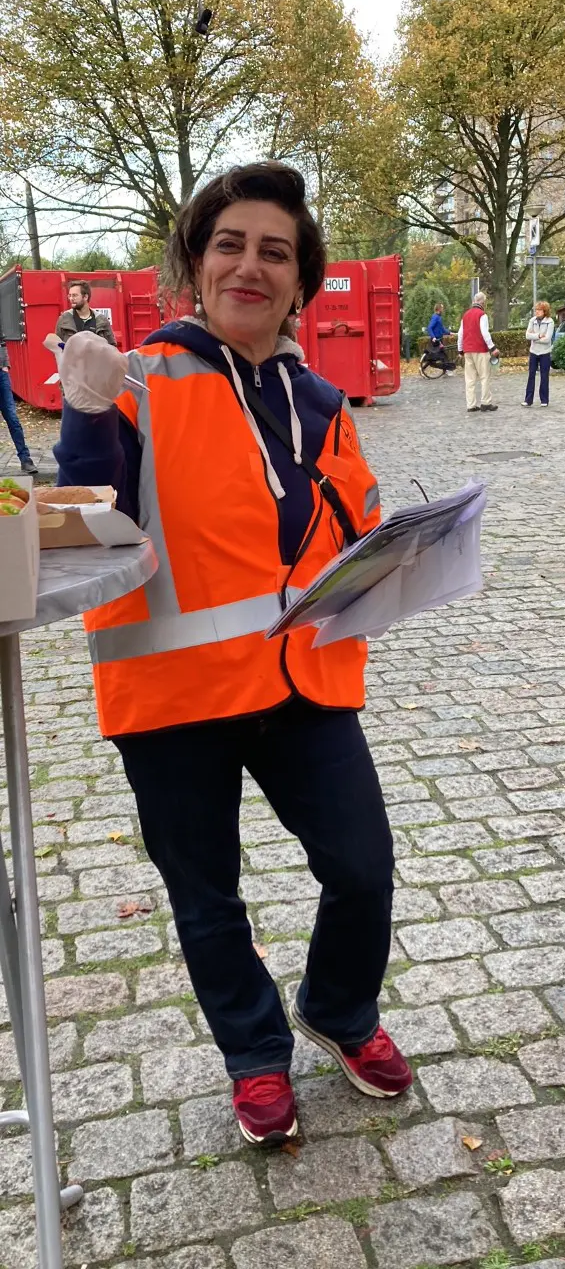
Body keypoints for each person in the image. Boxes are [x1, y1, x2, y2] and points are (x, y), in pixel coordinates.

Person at [49, 162, 412, 1148]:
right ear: (196, 266)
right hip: (172, 694)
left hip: (301, 684)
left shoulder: (323, 402)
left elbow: (354, 527)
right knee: (208, 898)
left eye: (275, 252)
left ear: (301, 284)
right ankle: (255, 1055)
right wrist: (85, 414)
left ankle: (339, 1010)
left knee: (363, 867)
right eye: (230, 244)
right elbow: (93, 513)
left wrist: (401, 554)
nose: (251, 265)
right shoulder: (139, 380)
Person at [0, 334, 37, 474]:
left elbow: (2, 341)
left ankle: (25, 460)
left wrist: (5, 365)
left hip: (1, 373)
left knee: (12, 418)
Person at [457, 291, 499, 413]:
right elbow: (485, 332)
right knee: (484, 376)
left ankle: (471, 405)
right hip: (480, 350)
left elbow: (460, 334)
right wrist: (493, 348)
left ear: (474, 301)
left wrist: (460, 350)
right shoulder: (482, 315)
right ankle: (486, 403)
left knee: (470, 379)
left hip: (468, 350)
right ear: (483, 302)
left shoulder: (465, 315)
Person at [56, 280, 117, 345]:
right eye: (70, 295)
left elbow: (112, 346)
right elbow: (57, 346)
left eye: (74, 295)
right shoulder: (64, 318)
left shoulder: (101, 320)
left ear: (85, 297)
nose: (71, 298)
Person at [522, 301, 554, 408]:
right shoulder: (532, 320)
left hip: (545, 352)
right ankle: (528, 400)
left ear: (545, 311)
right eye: (536, 310)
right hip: (533, 352)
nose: (537, 312)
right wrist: (539, 336)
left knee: (544, 376)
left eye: (539, 310)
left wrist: (534, 338)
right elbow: (527, 335)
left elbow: (547, 339)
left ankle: (544, 400)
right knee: (531, 375)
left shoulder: (550, 322)